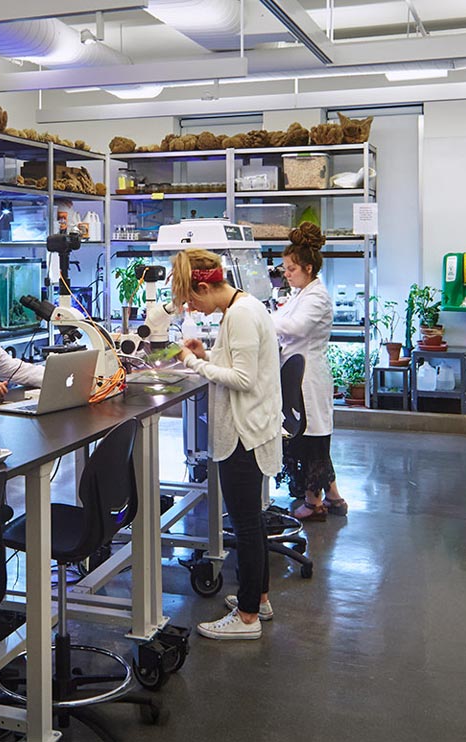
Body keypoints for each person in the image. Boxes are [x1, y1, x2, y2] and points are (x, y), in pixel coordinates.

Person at [174, 249, 283, 641]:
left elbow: (242, 378)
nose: (193, 309)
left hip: (244, 432)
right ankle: (261, 598)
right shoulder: (244, 307)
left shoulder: (239, 315)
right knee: (250, 519)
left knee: (246, 524)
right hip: (253, 426)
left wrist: (190, 361)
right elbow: (239, 360)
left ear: (205, 286)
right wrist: (209, 354)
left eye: (191, 300)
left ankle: (248, 617)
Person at [273, 223, 349, 521]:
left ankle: (314, 503)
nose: (286, 273)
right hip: (298, 372)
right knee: (313, 437)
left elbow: (296, 327)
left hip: (309, 378)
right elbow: (283, 317)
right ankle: (334, 498)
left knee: (311, 439)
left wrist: (260, 321)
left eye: (291, 268)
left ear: (307, 267)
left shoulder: (317, 296)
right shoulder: (302, 293)